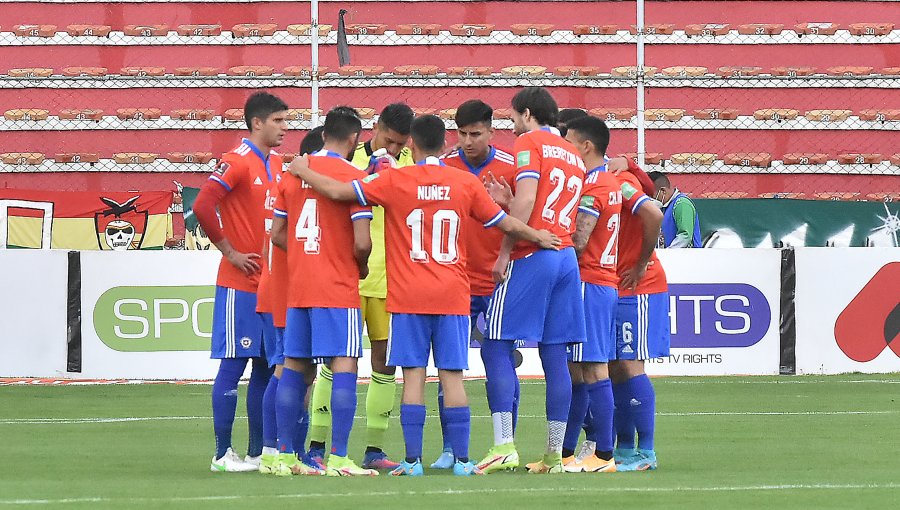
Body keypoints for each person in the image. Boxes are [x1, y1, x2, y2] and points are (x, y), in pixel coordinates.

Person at [288, 114, 562, 477]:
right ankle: (463, 461)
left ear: (412, 145)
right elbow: (502, 222)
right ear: (445, 144)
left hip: (408, 296)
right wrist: (539, 236)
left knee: (413, 376)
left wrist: (302, 170)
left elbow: (339, 192)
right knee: (452, 377)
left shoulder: (394, 179)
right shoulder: (464, 182)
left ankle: (413, 461)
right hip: (452, 295)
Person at [478, 87, 587, 475]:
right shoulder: (574, 152)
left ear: (527, 113)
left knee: (494, 344)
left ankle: (504, 444)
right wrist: (512, 202)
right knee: (555, 353)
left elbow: (526, 203)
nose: (512, 124)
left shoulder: (529, 143)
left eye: (513, 116)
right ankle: (555, 455)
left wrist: (505, 249)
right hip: (566, 256)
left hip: (533, 253)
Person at [270, 106, 378, 476]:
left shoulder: (291, 174)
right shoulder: (353, 177)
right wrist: (358, 266)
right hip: (336, 287)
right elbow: (362, 243)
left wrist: (304, 258)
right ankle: (340, 458)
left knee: (294, 367)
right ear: (354, 139)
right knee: (345, 364)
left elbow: (277, 234)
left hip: (300, 286)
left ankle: (284, 455)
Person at [306, 103, 415, 470]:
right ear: (375, 128)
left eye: (401, 143)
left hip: (390, 278)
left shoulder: (409, 164)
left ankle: (373, 449)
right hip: (348, 274)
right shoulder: (346, 157)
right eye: (389, 140)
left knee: (384, 362)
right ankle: (318, 446)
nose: (395, 149)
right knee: (335, 360)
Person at [193, 91, 287, 472]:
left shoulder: (280, 163)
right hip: (239, 283)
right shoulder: (236, 162)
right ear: (257, 123)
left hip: (271, 284)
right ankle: (221, 453)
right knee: (234, 366)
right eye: (279, 120)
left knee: (266, 367)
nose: (285, 127)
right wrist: (229, 252)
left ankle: (255, 451)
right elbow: (201, 204)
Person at [431, 99, 517, 469]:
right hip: (454, 282)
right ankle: (451, 448)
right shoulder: (445, 167)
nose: (468, 141)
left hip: (500, 279)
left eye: (476, 134)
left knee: (499, 357)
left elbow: (524, 216)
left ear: (491, 131)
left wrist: (510, 207)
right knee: (450, 365)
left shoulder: (513, 168)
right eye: (462, 134)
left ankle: (504, 443)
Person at [258, 127, 326, 475]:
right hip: (288, 293)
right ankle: (277, 451)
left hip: (279, 289)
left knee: (296, 372)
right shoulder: (300, 189)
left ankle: (285, 451)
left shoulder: (281, 186)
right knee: (288, 371)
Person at [560, 115, 621, 473]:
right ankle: (567, 452)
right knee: (581, 371)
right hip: (602, 282)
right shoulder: (608, 183)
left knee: (594, 369)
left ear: (586, 146)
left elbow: (580, 241)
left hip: (590, 282)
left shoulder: (593, 188)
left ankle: (605, 454)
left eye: (569, 142)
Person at [609, 157, 669, 472]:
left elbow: (652, 209)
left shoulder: (618, 180)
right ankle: (624, 448)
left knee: (630, 364)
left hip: (638, 287)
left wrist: (642, 262)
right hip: (612, 286)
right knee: (615, 367)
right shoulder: (598, 178)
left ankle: (646, 451)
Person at [647, 171, 702, 248]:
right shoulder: (664, 207)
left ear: (663, 191)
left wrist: (669, 253)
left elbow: (685, 236)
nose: (651, 199)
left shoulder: (682, 204)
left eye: (652, 195)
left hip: (687, 256)